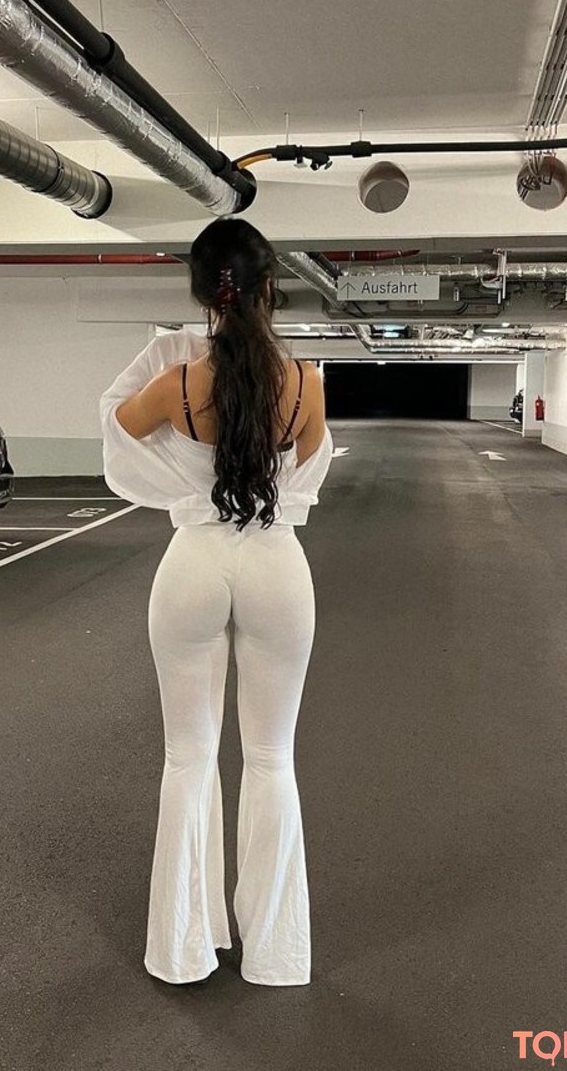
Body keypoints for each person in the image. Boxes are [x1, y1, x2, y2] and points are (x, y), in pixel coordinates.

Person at [98, 217, 333, 988]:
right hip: (275, 564)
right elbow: (307, 469)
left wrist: (168, 364)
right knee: (271, 759)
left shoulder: (175, 383)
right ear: (270, 287)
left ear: (202, 295)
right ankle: (274, 953)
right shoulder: (305, 383)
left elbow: (119, 429)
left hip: (194, 563)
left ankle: (182, 949)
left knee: (187, 758)